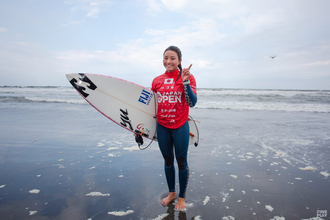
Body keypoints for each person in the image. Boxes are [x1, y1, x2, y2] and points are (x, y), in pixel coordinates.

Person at [151, 46, 197, 210]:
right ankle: (172, 193)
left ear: (179, 61)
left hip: (180, 126)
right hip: (162, 126)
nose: (168, 61)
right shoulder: (157, 80)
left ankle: (182, 198)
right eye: (166, 57)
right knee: (168, 161)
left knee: (182, 162)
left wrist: (185, 81)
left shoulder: (188, 78)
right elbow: (150, 106)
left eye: (172, 58)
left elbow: (192, 102)